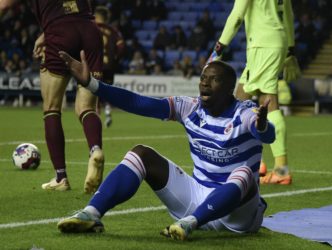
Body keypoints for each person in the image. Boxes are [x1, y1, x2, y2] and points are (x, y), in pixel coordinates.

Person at [56, 50, 275, 240]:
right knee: (140, 154)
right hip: (197, 199)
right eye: (202, 78)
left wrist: (262, 126)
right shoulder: (189, 108)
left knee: (244, 173)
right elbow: (140, 103)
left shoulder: (244, 112)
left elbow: (266, 134)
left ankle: (191, 224)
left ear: (229, 89)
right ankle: (91, 213)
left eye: (213, 79)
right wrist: (92, 84)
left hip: (237, 215)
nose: (204, 83)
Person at [0, 0, 105, 193]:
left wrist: (50, 30)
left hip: (60, 34)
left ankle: (61, 177)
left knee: (52, 108)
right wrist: (44, 33)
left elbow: (4, 6)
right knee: (86, 108)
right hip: (90, 30)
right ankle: (95, 149)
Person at [208, 0, 301, 185]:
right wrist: (290, 50)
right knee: (239, 100)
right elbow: (288, 16)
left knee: (269, 101)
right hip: (276, 41)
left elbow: (236, 16)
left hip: (262, 44)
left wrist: (218, 48)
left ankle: (282, 170)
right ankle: (254, 161)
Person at [95, 6, 125, 128]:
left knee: (95, 94)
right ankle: (107, 111)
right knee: (107, 91)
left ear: (97, 16)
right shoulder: (113, 30)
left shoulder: (90, 27)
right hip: (109, 66)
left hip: (95, 65)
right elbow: (121, 46)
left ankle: (96, 119)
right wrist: (115, 59)